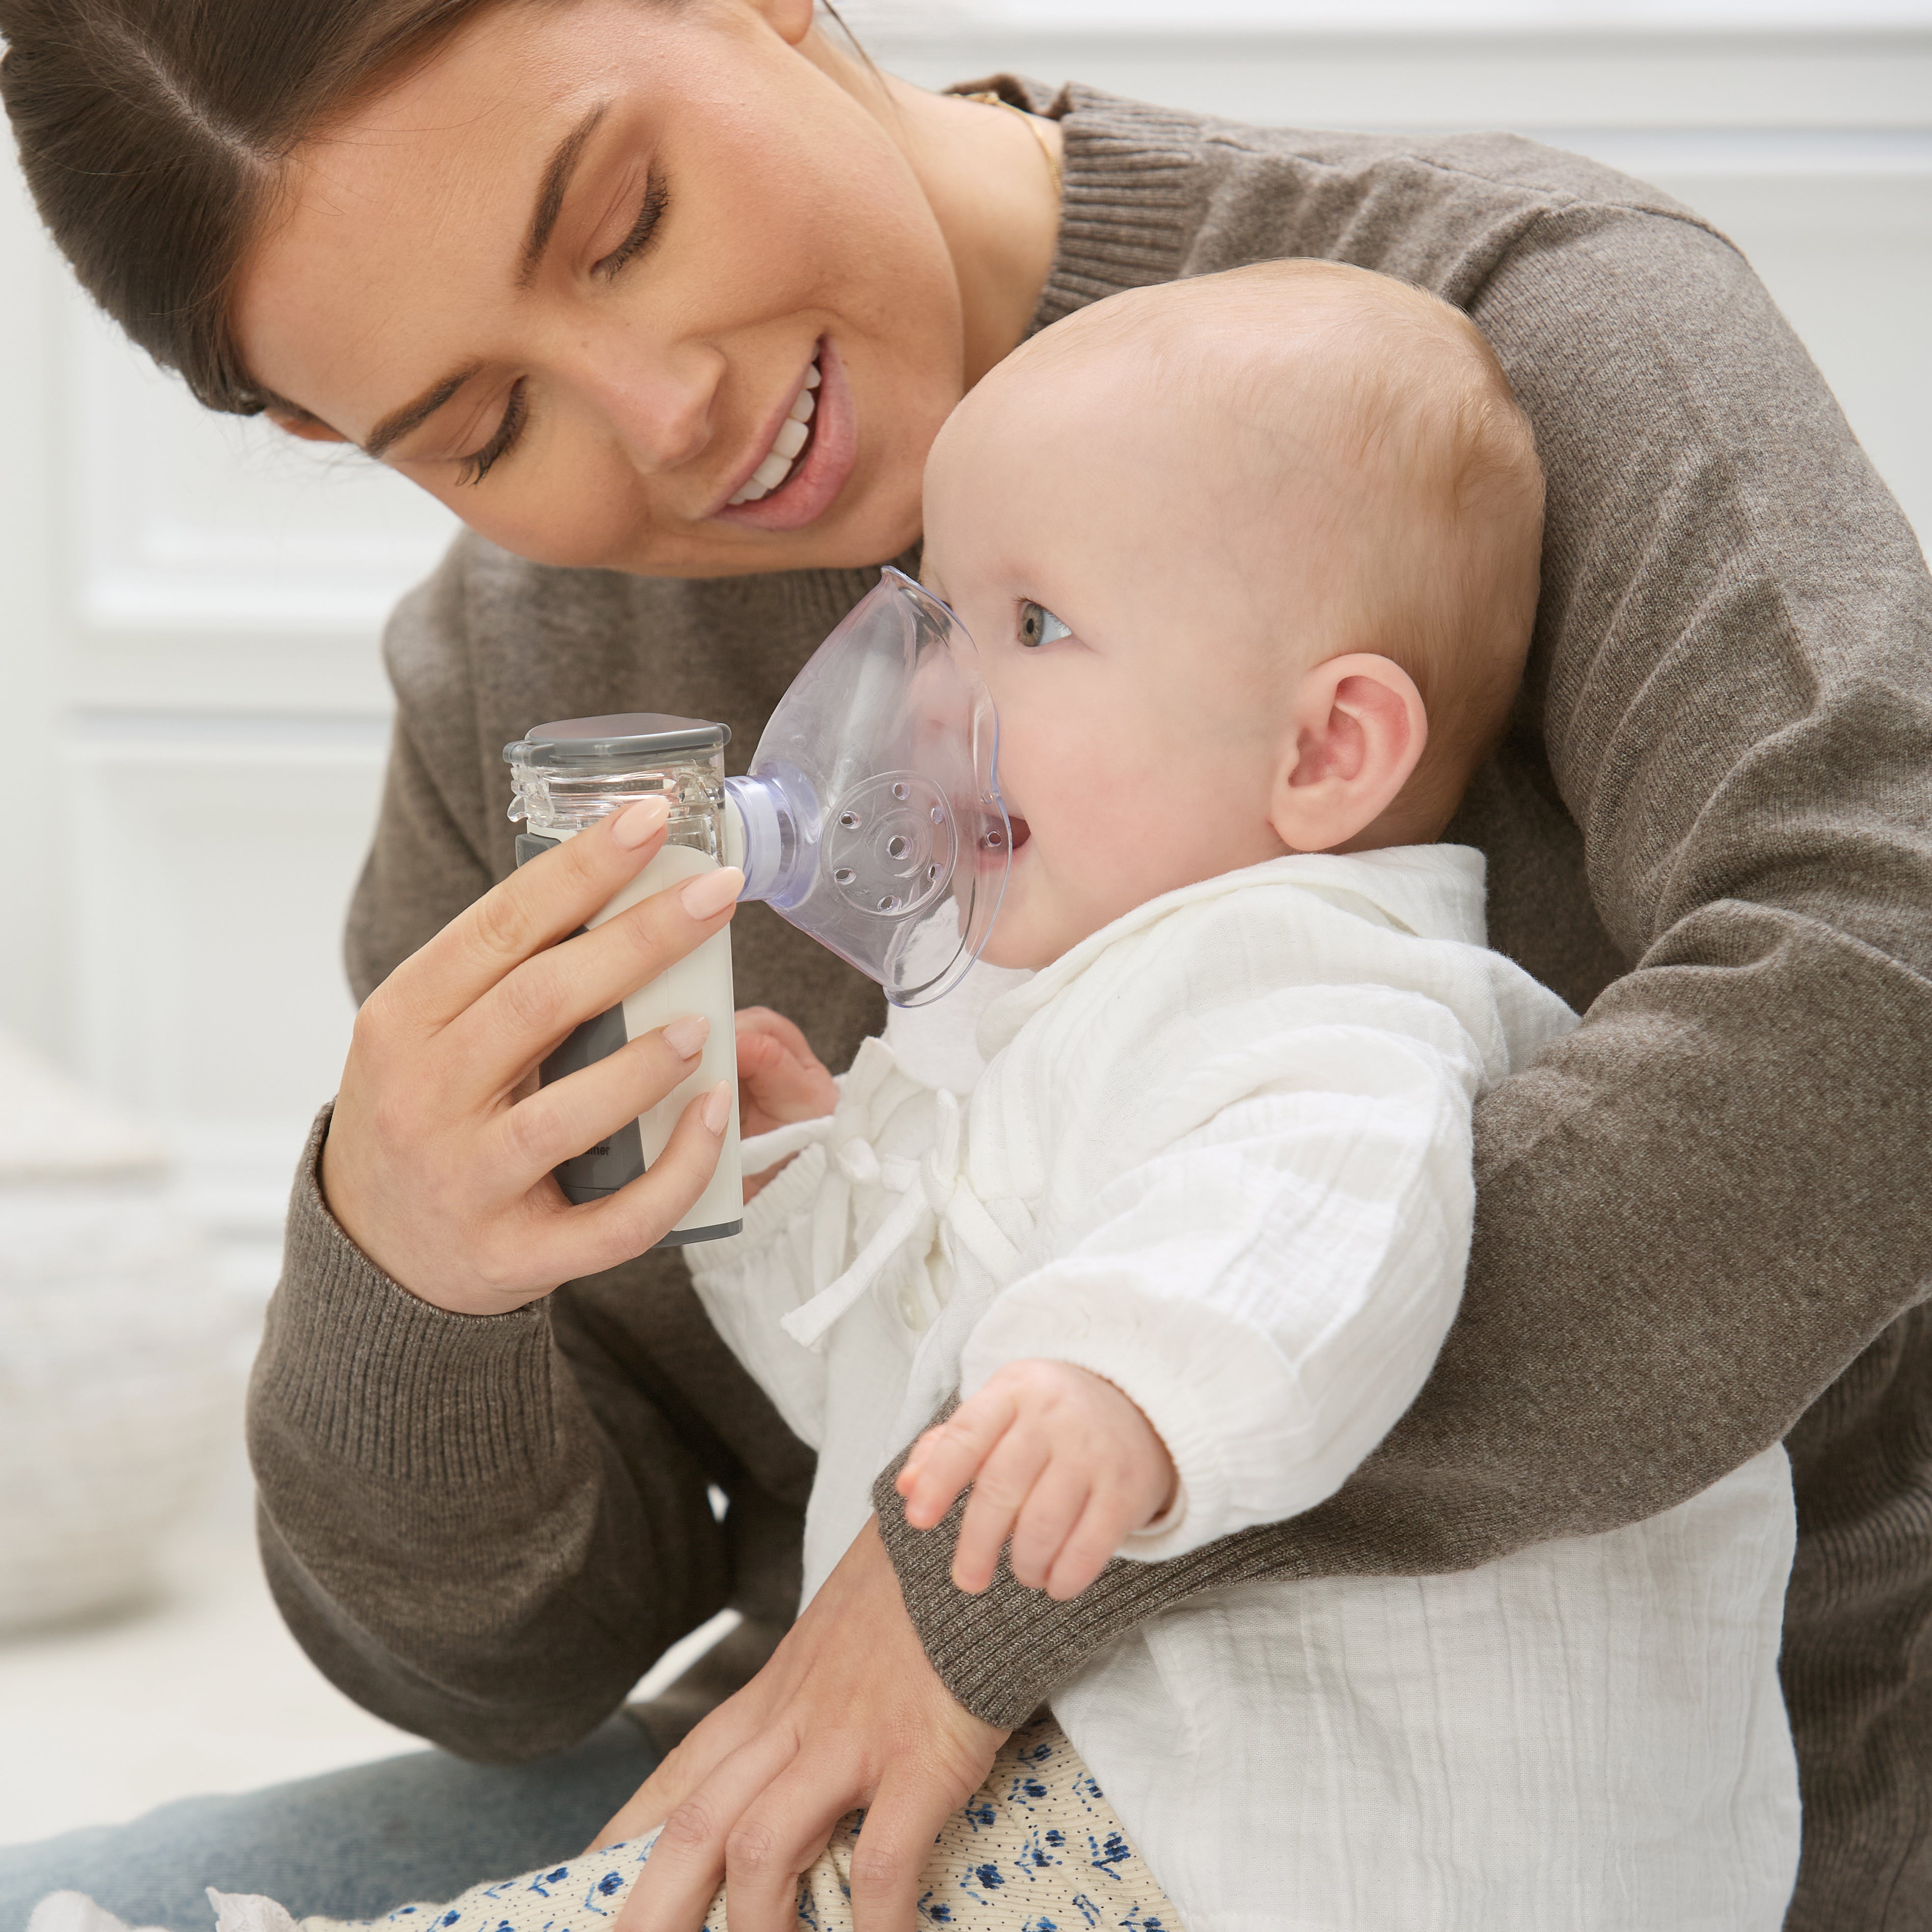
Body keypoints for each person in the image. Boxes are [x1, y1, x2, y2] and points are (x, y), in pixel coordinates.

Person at [0, 1, 1925, 1928]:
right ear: (334, 438)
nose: (662, 408)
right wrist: (409, 1273)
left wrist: (986, 1581)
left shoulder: (1506, 331)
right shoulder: (527, 677)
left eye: (627, 219)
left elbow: (1881, 996)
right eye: (489, 425)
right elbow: (507, 1671)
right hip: (880, 1823)